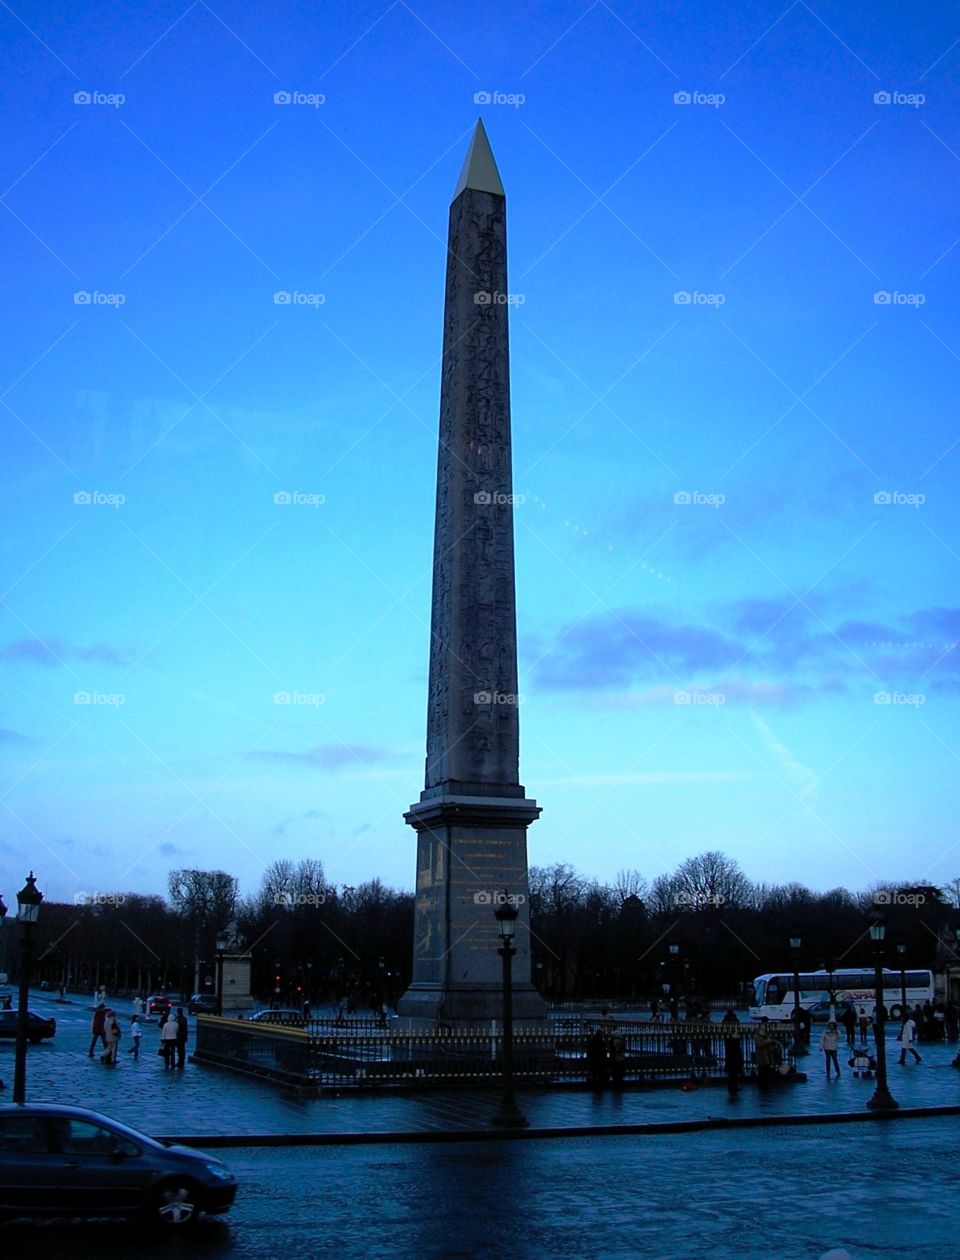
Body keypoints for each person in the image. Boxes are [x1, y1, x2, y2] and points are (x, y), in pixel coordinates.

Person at [722, 1008, 743, 1090]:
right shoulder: (735, 1020)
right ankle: (733, 1086)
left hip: (731, 1055)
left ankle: (732, 1086)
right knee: (733, 1072)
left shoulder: (725, 1019)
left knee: (732, 1072)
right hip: (734, 1058)